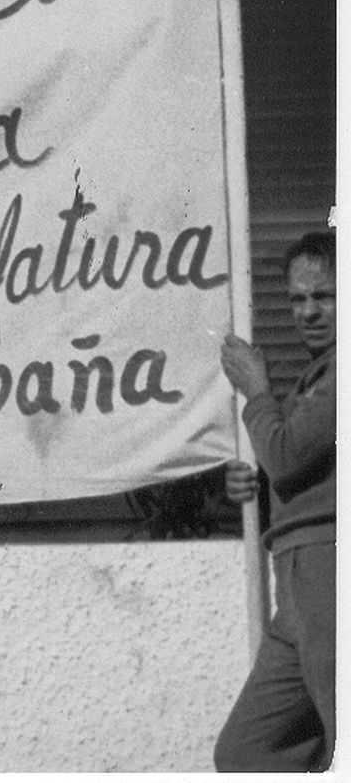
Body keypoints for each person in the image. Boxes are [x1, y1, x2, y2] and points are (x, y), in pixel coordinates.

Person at [213, 231, 335, 772]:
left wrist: (257, 393)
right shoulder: (318, 377)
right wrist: (259, 491)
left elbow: (287, 454)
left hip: (331, 569)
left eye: (325, 296)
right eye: (296, 299)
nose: (308, 312)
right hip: (299, 578)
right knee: (247, 751)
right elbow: (297, 473)